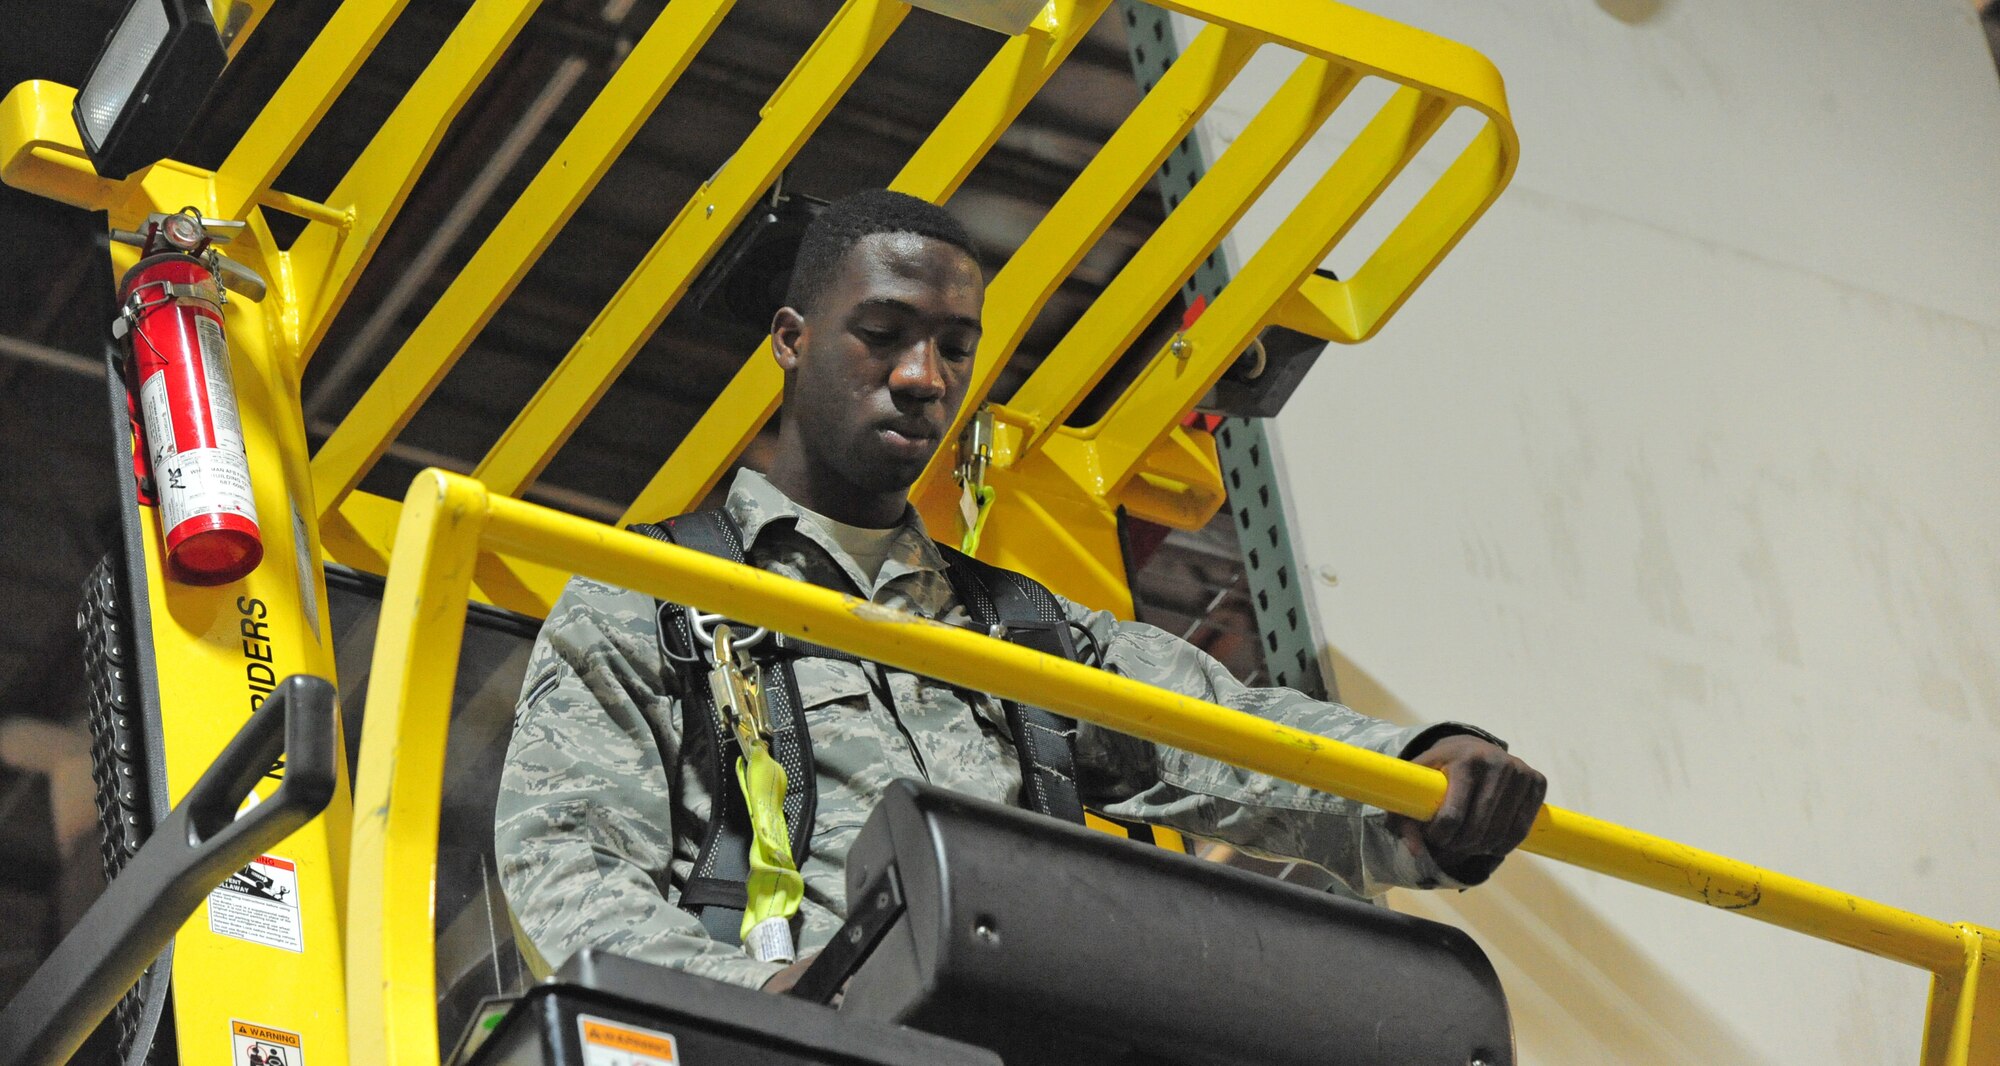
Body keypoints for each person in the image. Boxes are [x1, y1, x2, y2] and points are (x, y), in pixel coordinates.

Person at [495, 189, 1547, 994]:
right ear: (789, 339)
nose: (924, 376)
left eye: (954, 348)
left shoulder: (1019, 632)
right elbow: (563, 861)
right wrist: (771, 1004)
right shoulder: (653, 602)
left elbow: (1221, 731)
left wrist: (1416, 778)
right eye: (883, 332)